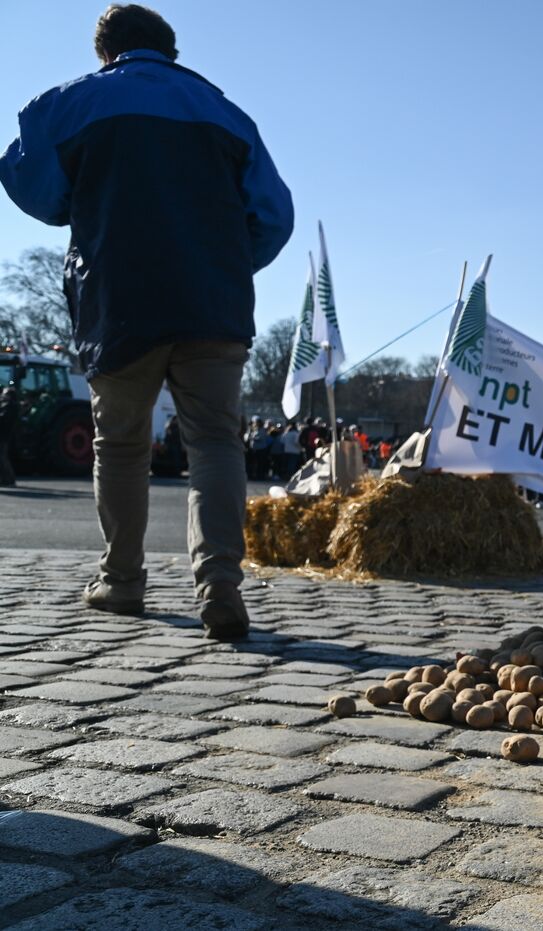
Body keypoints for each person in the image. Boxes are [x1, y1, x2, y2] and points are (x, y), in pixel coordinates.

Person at [0, 5, 294, 637]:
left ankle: (123, 582)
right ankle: (219, 583)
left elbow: (28, 181)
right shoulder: (227, 113)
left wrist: (83, 203)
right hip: (211, 303)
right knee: (214, 442)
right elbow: (273, 216)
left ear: (106, 51)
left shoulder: (71, 103)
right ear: (172, 49)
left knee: (121, 444)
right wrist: (227, 264)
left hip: (119, 297)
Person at [0, 380, 20, 487]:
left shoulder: (9, 407)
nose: (2, 396)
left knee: (2, 458)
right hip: (4, 435)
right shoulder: (8, 406)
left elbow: (3, 419)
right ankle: (6, 478)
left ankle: (9, 479)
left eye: (4, 394)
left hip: (3, 435)